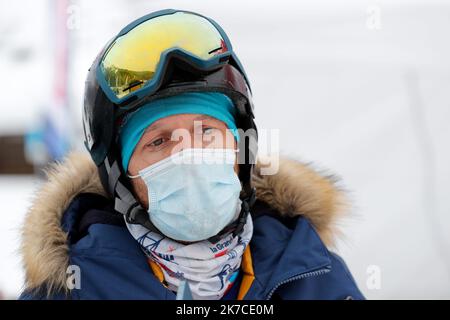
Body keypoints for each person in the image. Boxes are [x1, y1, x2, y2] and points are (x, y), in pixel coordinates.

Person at [19, 9, 364, 300]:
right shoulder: (69, 290)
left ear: (242, 149)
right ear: (119, 176)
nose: (188, 153)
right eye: (157, 141)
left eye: (207, 132)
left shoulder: (316, 279)